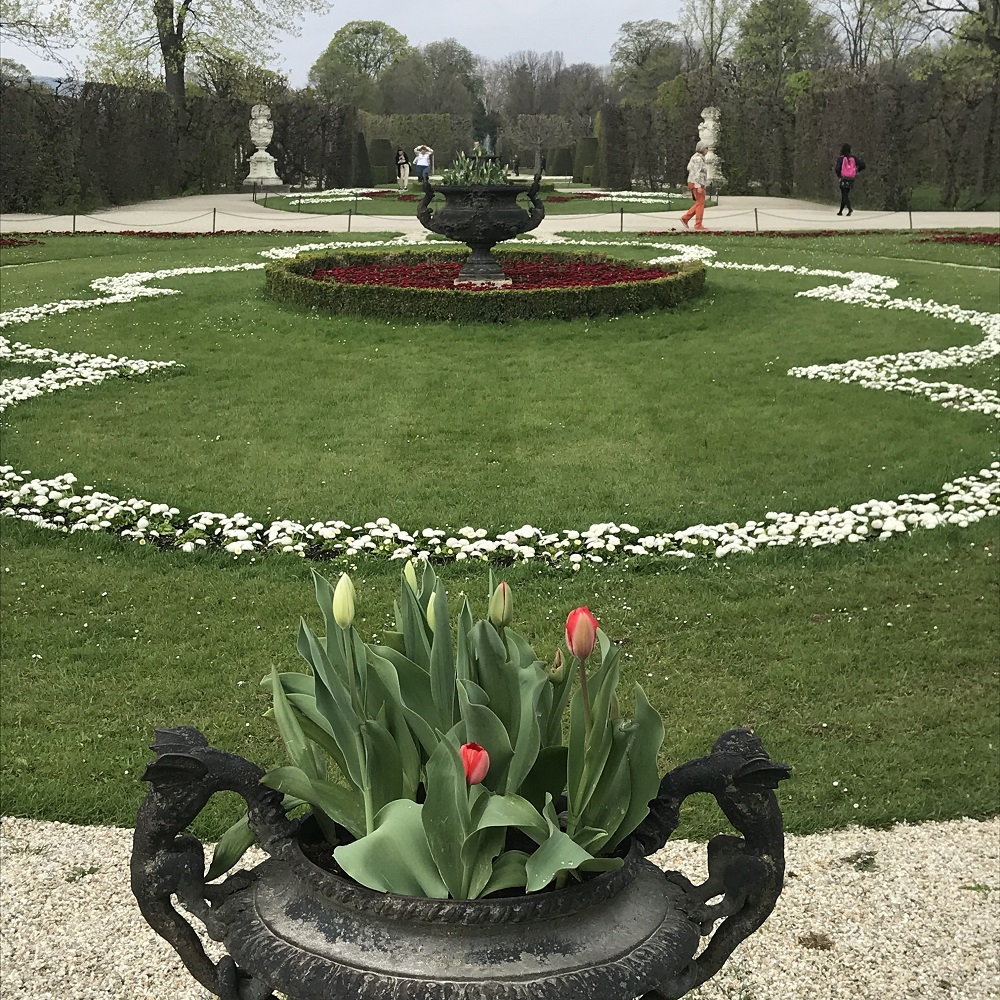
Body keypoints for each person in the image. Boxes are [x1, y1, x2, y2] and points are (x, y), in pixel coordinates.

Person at [680, 141, 709, 231]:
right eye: (706, 148)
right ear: (702, 149)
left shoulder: (696, 157)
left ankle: (686, 218)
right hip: (697, 183)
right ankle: (698, 224)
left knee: (699, 203)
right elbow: (697, 173)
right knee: (701, 204)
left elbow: (689, 168)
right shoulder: (698, 159)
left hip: (695, 182)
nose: (707, 150)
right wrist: (698, 186)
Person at [834, 143, 866, 216]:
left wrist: (839, 175)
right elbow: (863, 165)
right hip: (851, 178)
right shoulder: (853, 158)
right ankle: (840, 211)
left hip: (844, 178)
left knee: (844, 194)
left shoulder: (841, 158)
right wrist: (857, 170)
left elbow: (837, 169)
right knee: (845, 194)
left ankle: (849, 209)